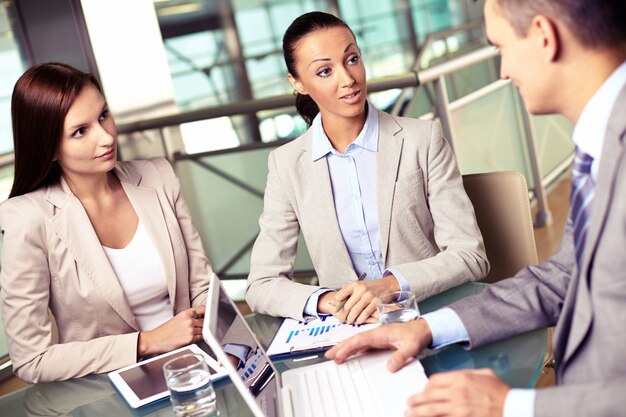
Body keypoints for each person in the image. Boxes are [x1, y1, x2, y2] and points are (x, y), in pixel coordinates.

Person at [327, 0, 626, 415]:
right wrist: (427, 327)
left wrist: (510, 406)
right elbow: (564, 276)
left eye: (500, 47)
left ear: (544, 36)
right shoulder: (601, 140)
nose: (503, 71)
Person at [246, 11, 489, 323]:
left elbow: (470, 256)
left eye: (352, 59)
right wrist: (332, 302)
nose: (348, 80)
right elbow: (261, 285)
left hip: (430, 318)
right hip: (349, 331)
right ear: (298, 83)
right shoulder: (286, 165)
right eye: (324, 71)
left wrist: (391, 286)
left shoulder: (422, 139)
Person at [0, 63, 214, 383]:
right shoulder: (27, 218)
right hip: (107, 392)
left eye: (103, 115)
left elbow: (203, 288)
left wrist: (222, 347)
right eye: (80, 131)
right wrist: (148, 341)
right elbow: (32, 359)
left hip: (194, 368)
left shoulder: (157, 175)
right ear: (50, 147)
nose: (106, 137)